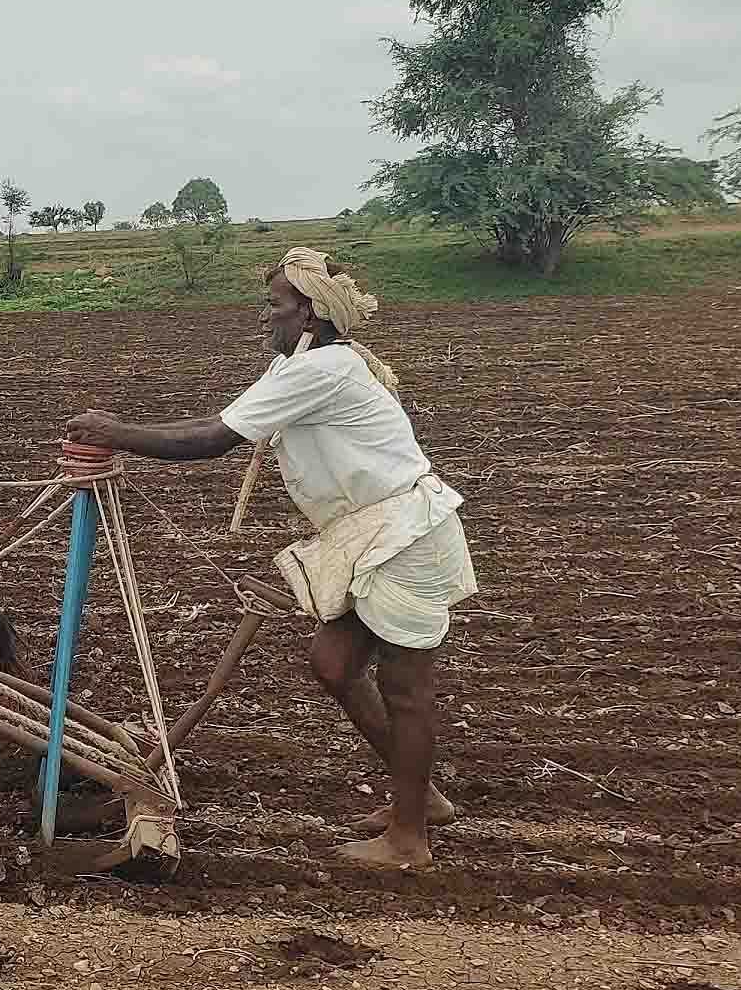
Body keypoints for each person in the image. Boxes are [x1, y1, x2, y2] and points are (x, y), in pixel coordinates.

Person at [65, 247, 476, 870]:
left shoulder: (323, 370)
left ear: (310, 314)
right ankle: (421, 800)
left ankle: (408, 838)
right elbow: (221, 423)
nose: (267, 319)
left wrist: (115, 432)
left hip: (404, 537)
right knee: (333, 664)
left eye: (276, 307)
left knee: (407, 690)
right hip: (370, 535)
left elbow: (212, 439)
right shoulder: (299, 365)